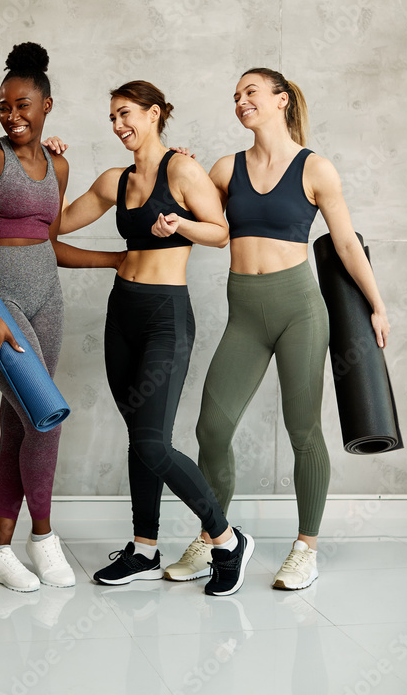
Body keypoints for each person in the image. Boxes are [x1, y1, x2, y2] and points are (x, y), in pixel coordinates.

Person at [165, 67, 390, 590]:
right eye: (236, 95)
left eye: (251, 92)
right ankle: (216, 536)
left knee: (303, 431)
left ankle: (304, 548)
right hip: (245, 313)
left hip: (300, 311)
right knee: (212, 429)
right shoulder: (226, 168)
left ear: (281, 100)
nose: (241, 101)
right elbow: (196, 216)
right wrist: (184, 176)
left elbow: (347, 245)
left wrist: (377, 304)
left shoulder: (316, 169)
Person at [56, 80, 255, 597]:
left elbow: (221, 231)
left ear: (154, 113)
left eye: (127, 114)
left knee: (151, 440)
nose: (120, 125)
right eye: (113, 118)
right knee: (138, 438)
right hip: (122, 312)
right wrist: (55, 169)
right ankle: (145, 549)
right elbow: (53, 225)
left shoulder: (182, 169)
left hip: (166, 316)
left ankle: (227, 539)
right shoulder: (114, 180)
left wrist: (182, 224)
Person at [0, 42, 124, 593]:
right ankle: (45, 537)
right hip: (0, 300)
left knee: (22, 421)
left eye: (23, 104)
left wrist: (117, 259)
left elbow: (51, 244)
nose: (12, 115)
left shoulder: (58, 163)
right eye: (4, 105)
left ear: (47, 105)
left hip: (48, 299)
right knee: (44, 413)